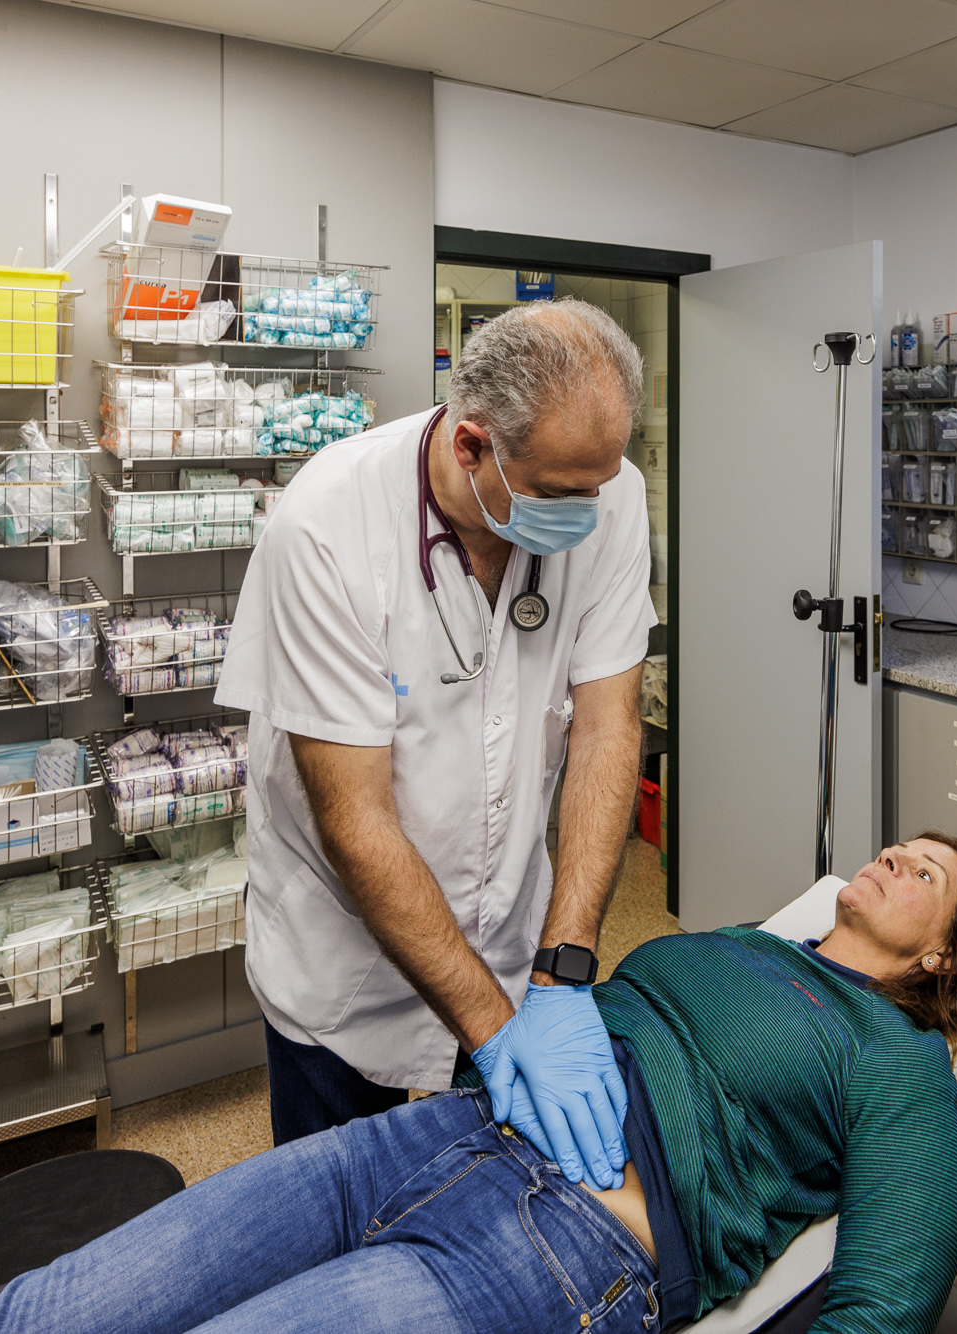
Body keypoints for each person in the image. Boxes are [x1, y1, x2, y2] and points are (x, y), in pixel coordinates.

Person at [0, 835, 957, 1334]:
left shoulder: (898, 1062)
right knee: (43, 1311)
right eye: (902, 841)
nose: (898, 854)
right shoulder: (753, 943)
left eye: (929, 872)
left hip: (557, 1243)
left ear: (942, 956)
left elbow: (880, 1303)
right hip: (423, 1142)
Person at [215, 299, 657, 1190]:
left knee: (485, 1198)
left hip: (508, 926)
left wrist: (564, 973)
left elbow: (610, 725)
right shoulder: (328, 526)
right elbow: (356, 820)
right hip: (344, 958)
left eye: (600, 488)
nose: (589, 511)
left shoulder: (607, 495)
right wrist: (495, 1033)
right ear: (471, 446)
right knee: (331, 1212)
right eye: (562, 494)